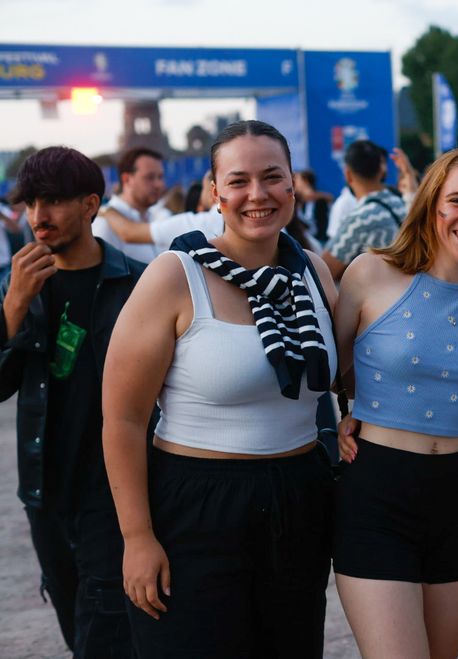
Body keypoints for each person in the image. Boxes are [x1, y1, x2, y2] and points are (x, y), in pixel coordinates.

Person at [101, 120, 339, 659]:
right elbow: (123, 419)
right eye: (238, 180)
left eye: (272, 177)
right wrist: (137, 538)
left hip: (299, 499)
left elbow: (345, 379)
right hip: (195, 506)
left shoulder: (315, 275)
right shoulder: (173, 276)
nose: (257, 195)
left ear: (292, 186)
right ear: (215, 192)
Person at [332, 146, 458, 659]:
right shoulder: (370, 273)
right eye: (457, 200)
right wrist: (336, 420)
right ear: (431, 205)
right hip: (376, 495)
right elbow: (329, 371)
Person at [0, 146, 146, 658]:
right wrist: (13, 307)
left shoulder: (135, 284)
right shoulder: (21, 286)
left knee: (103, 630)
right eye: (31, 202)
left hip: (112, 492)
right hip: (44, 492)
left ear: (90, 204)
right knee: (73, 620)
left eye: (55, 201)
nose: (39, 217)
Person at [322, 140, 407, 279]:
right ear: (381, 170)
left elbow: (324, 271)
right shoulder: (399, 203)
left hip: (379, 297)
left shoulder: (360, 219)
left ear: (348, 174)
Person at [97, 171, 223, 252]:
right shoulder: (221, 220)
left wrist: (106, 210)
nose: (158, 184)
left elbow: (130, 233)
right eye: (150, 177)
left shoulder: (202, 223)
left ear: (213, 191)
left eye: (204, 188)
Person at [92, 147, 166, 263]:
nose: (159, 184)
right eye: (150, 177)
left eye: (160, 177)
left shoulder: (158, 216)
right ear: (126, 179)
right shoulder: (105, 224)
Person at [294, 169, 334, 245]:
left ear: (305, 181)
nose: (294, 183)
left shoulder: (321, 200)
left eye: (297, 179)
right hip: (306, 243)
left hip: (321, 243)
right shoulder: (298, 201)